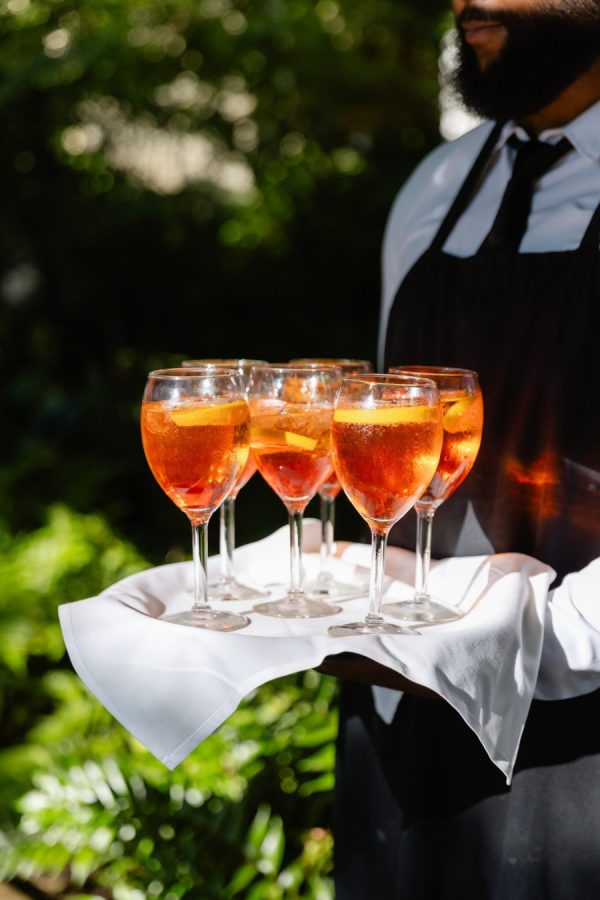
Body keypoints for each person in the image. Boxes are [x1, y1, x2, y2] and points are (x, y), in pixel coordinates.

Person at [319, 2, 600, 897]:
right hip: (404, 720)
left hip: (582, 747)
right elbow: (380, 442)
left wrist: (516, 646)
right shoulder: (434, 187)